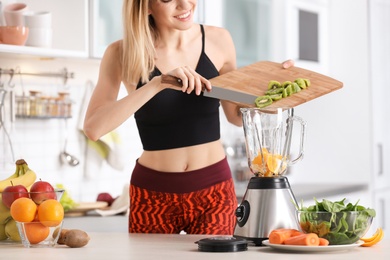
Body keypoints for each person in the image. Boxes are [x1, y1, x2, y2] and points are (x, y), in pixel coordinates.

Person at [83, 0, 293, 235]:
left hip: (214, 190)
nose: (185, 4)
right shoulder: (121, 53)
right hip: (152, 194)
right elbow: (94, 128)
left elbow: (235, 115)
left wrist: (271, 94)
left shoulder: (219, 40)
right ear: (146, 6)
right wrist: (157, 84)